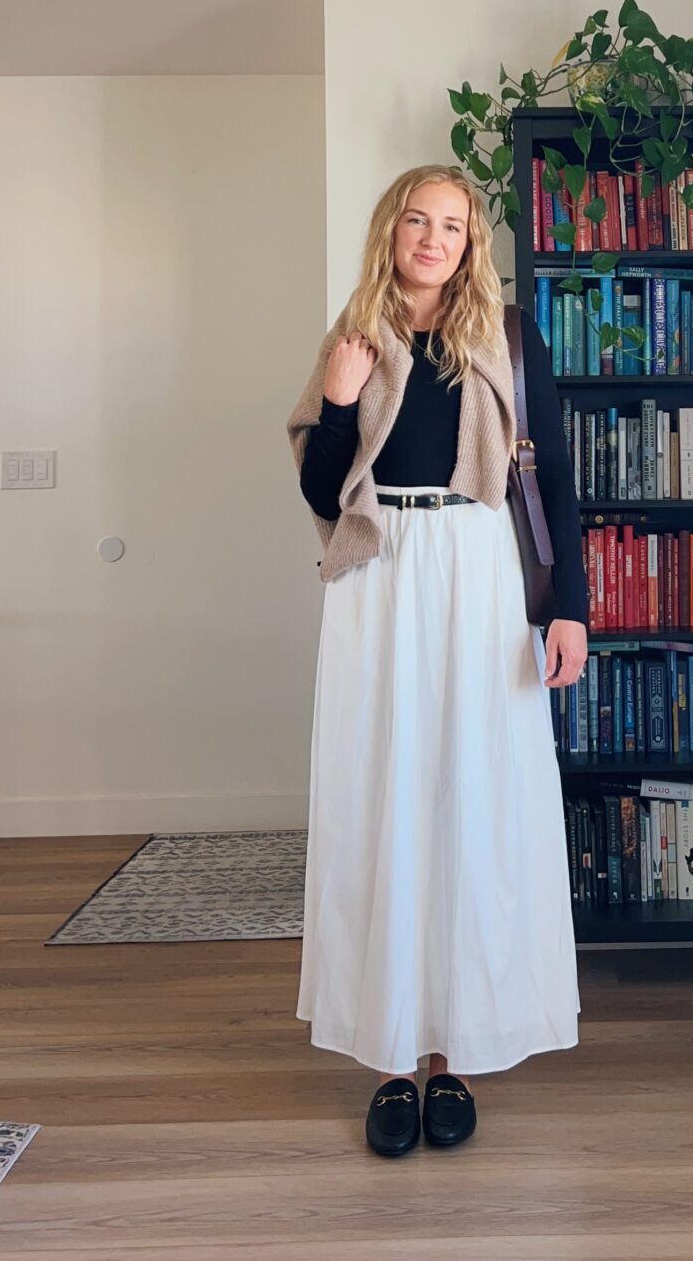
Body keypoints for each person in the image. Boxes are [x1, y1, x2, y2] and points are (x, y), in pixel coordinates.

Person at [286, 163, 588, 1157]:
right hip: (378, 577)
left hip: (476, 570)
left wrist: (569, 610)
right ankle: (387, 1057)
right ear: (390, 231)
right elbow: (326, 496)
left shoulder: (505, 338)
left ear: (469, 245)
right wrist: (335, 405)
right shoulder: (353, 341)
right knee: (381, 800)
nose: (430, 238)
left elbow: (551, 480)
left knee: (474, 800)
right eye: (416, 220)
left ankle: (452, 1055)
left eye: (449, 226)